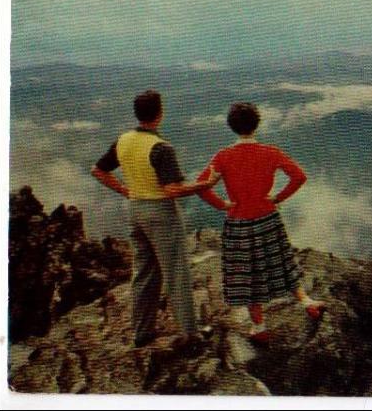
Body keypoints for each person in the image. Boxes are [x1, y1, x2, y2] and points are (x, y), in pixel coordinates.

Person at [91, 90, 220, 348]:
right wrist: (207, 184)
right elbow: (172, 190)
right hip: (161, 213)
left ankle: (142, 332)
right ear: (160, 113)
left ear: (137, 114)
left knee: (143, 272)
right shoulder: (161, 148)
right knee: (176, 272)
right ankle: (191, 334)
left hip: (135, 210)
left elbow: (98, 170)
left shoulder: (124, 140)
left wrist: (126, 191)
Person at [197, 102, 324, 345]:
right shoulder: (271, 152)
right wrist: (277, 198)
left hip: (239, 222)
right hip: (268, 217)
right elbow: (299, 177)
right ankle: (307, 302)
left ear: (231, 127)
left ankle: (260, 327)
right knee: (281, 261)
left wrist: (222, 204)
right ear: (257, 124)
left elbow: (201, 188)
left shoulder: (223, 157)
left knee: (248, 275)